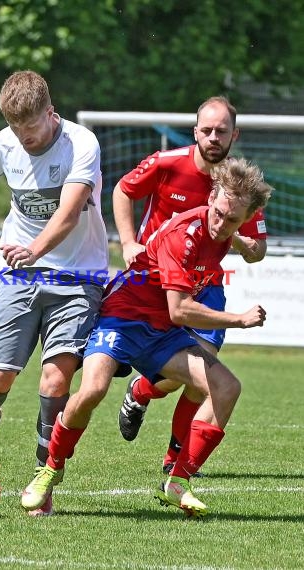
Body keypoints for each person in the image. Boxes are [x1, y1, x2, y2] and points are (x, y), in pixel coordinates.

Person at [21, 157, 273, 518]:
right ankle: (50, 468)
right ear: (212, 196)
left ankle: (178, 480)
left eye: (232, 219)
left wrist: (241, 243)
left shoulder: (223, 232)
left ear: (245, 218)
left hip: (160, 334)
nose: (221, 224)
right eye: (217, 213)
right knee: (92, 391)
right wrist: (239, 319)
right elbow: (180, 311)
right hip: (122, 318)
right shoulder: (184, 235)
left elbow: (226, 242)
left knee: (226, 387)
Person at [0, 70, 109, 516]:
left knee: (56, 379)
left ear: (51, 114)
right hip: (19, 274)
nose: (24, 138)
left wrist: (33, 249)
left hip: (76, 277)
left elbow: (70, 213)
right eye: (16, 129)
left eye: (31, 129)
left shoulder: (82, 145)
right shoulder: (5, 142)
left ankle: (43, 476)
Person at [114, 96, 268, 476]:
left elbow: (257, 249)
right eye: (208, 130)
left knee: (203, 378)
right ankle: (140, 391)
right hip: (155, 281)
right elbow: (122, 190)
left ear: (235, 134)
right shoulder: (168, 163)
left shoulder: (239, 186)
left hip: (206, 284)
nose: (214, 137)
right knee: (164, 376)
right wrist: (129, 241)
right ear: (195, 130)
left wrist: (240, 240)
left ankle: (174, 461)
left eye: (222, 131)